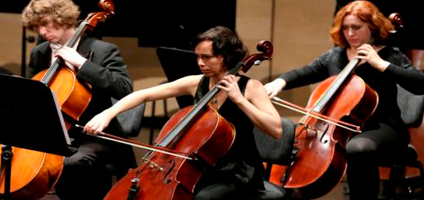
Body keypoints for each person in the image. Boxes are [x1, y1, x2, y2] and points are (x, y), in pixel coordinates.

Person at [84, 26, 282, 199]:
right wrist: (108, 114)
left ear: (225, 56)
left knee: (203, 197)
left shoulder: (251, 87)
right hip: (201, 165)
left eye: (206, 57)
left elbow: (276, 130)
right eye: (197, 56)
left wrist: (239, 100)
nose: (200, 63)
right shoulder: (196, 82)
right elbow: (143, 95)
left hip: (238, 171)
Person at [264, 1, 424, 199]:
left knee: (358, 148)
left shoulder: (388, 54)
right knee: (287, 141)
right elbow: (306, 72)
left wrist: (381, 64)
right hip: (341, 127)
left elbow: (421, 84)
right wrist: (280, 82)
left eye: (356, 27)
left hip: (383, 127)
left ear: (372, 27)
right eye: (346, 27)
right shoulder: (336, 55)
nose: (350, 33)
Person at [0, 0, 134, 199]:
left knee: (73, 163)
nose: (42, 32)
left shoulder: (102, 50)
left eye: (45, 24)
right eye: (37, 26)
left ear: (63, 19)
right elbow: (33, 98)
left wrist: (82, 64)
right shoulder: (40, 52)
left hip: (91, 134)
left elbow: (124, 88)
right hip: (45, 134)